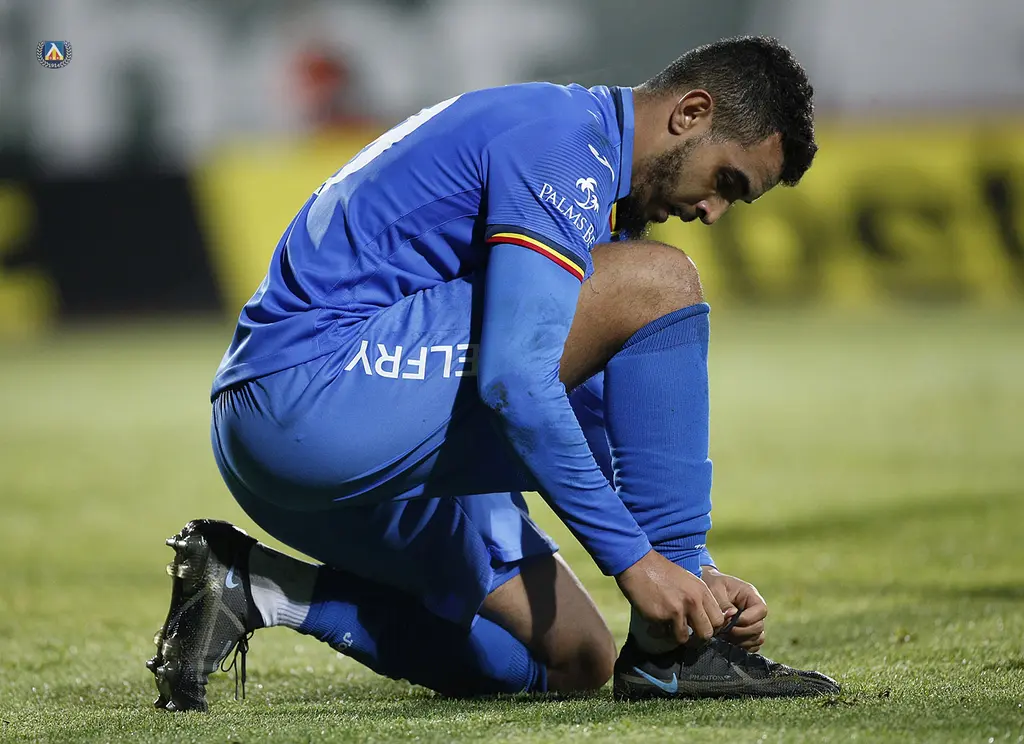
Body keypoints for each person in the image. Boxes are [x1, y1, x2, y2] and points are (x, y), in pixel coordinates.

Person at [148, 35, 840, 712]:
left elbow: (603, 411)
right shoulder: (565, 145)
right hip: (317, 393)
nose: (713, 212)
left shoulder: (583, 164)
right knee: (663, 282)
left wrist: (694, 579)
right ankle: (677, 657)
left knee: (577, 658)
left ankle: (256, 585)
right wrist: (643, 562)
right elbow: (517, 381)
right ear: (690, 113)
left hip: (297, 433)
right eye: (726, 182)